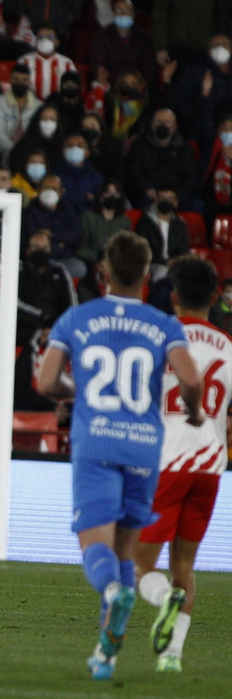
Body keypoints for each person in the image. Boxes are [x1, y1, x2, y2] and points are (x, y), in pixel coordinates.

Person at [34, 232, 203, 681]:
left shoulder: (77, 318)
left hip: (97, 445)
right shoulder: (165, 323)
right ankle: (106, 656)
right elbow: (190, 379)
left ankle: (112, 591)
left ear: (103, 272)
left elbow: (46, 382)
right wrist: (194, 411)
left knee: (96, 549)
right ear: (149, 274)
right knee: (127, 552)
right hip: (144, 447)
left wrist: (77, 393)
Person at [133, 256, 232, 673]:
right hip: (211, 464)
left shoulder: (162, 338)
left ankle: (163, 599)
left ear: (172, 296)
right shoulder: (229, 347)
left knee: (137, 564)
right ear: (215, 297)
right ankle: (172, 656)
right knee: (184, 565)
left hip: (168, 459)